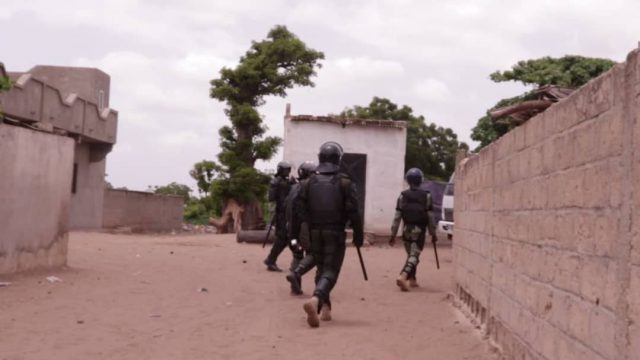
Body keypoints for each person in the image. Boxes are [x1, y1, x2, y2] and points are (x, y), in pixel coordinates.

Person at [291, 142, 363, 327]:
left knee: (321, 269)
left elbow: (299, 212)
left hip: (315, 232)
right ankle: (315, 300)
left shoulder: (307, 184)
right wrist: (358, 234)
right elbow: (354, 212)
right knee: (331, 270)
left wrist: (297, 236)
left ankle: (325, 309)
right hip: (336, 232)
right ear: (338, 159)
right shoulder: (345, 182)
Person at [389, 168, 437, 291]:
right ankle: (403, 276)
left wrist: (393, 234)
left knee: (411, 255)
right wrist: (433, 233)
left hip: (406, 230)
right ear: (421, 180)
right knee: (414, 255)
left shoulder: (402, 196)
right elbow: (430, 216)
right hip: (419, 230)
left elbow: (397, 217)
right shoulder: (426, 195)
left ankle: (413, 280)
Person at [284, 161, 317, 295]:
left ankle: (294, 288)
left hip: (291, 229)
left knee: (297, 252)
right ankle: (297, 274)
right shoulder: (309, 188)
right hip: (304, 228)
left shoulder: (293, 188)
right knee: (314, 254)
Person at [264, 161, 296, 272]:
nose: (288, 172)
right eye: (286, 169)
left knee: (286, 238)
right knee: (282, 238)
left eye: (289, 169)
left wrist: (291, 184)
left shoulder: (287, 181)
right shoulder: (276, 181)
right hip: (281, 214)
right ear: (280, 170)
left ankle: (271, 259)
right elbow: (271, 199)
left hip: (287, 213)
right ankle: (270, 260)